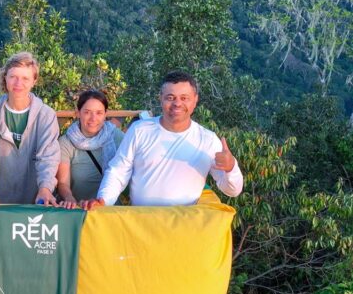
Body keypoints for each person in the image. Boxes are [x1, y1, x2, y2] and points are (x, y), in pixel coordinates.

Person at [84, 71, 243, 208]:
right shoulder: (140, 130)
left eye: (184, 98)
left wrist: (231, 168)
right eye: (170, 97)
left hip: (185, 226)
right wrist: (103, 200)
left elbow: (233, 190)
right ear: (160, 98)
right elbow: (118, 172)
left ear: (195, 100)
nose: (177, 103)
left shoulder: (208, 140)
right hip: (140, 223)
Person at [0, 52, 61, 205]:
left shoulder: (46, 115)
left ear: (34, 81)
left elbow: (48, 156)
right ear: (5, 78)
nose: (18, 83)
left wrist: (45, 188)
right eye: (13, 77)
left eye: (25, 78)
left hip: (35, 202)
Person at [55, 89, 124, 207]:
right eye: (87, 112)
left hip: (110, 211)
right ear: (78, 113)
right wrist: (69, 199)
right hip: (80, 210)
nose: (93, 118)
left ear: (105, 114)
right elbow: (63, 183)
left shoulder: (117, 137)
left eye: (99, 113)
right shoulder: (66, 143)